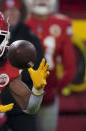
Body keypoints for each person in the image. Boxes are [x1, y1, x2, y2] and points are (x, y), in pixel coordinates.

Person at [0, 0, 44, 131]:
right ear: (1, 13)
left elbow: (37, 68)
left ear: (21, 12)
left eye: (16, 10)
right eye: (8, 10)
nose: (13, 13)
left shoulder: (31, 38)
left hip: (22, 107)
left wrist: (8, 73)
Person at [25, 0, 76, 130]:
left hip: (36, 91)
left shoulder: (62, 23)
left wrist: (56, 88)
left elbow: (70, 67)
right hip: (31, 90)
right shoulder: (22, 22)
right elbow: (70, 68)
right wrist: (56, 88)